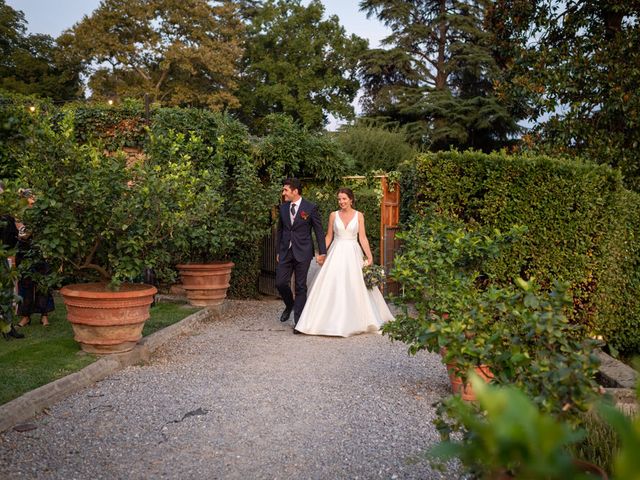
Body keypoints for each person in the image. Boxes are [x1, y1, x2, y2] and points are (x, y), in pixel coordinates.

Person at [294, 188, 394, 336]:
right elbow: (328, 236)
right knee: (332, 284)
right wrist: (322, 252)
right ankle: (325, 321)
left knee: (355, 285)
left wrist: (369, 256)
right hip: (336, 252)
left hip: (353, 253)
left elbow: (363, 238)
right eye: (339, 199)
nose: (341, 202)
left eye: (344, 199)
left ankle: (358, 320)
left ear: (351, 199)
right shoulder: (333, 215)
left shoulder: (359, 215)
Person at [275, 178, 327, 333]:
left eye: (286, 190)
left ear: (295, 191)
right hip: (285, 251)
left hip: (303, 252)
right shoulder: (283, 208)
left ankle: (299, 323)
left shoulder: (310, 207)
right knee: (280, 283)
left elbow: (318, 230)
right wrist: (278, 250)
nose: (283, 192)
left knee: (300, 286)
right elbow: (280, 230)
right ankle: (289, 304)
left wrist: (322, 251)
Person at [15, 188, 54, 328]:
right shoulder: (19, 213)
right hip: (24, 251)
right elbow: (22, 234)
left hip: (40, 250)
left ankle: (44, 315)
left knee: (43, 283)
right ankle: (26, 316)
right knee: (25, 284)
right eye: (30, 197)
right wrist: (29, 229)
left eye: (34, 197)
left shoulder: (43, 213)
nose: (33, 199)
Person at [0, 181, 24, 339]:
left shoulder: (7, 216)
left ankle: (8, 328)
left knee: (7, 292)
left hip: (2, 258)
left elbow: (13, 237)